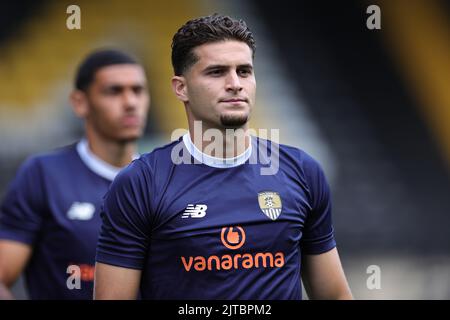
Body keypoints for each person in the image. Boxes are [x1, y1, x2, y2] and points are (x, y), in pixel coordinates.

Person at [94, 14, 353, 300]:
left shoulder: (301, 171)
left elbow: (335, 295)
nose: (235, 84)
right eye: (216, 72)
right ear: (181, 88)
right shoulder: (140, 183)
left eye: (244, 71)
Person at [0, 49, 150, 299]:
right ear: (80, 103)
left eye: (138, 90)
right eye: (114, 91)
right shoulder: (43, 174)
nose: (131, 103)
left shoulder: (162, 178)